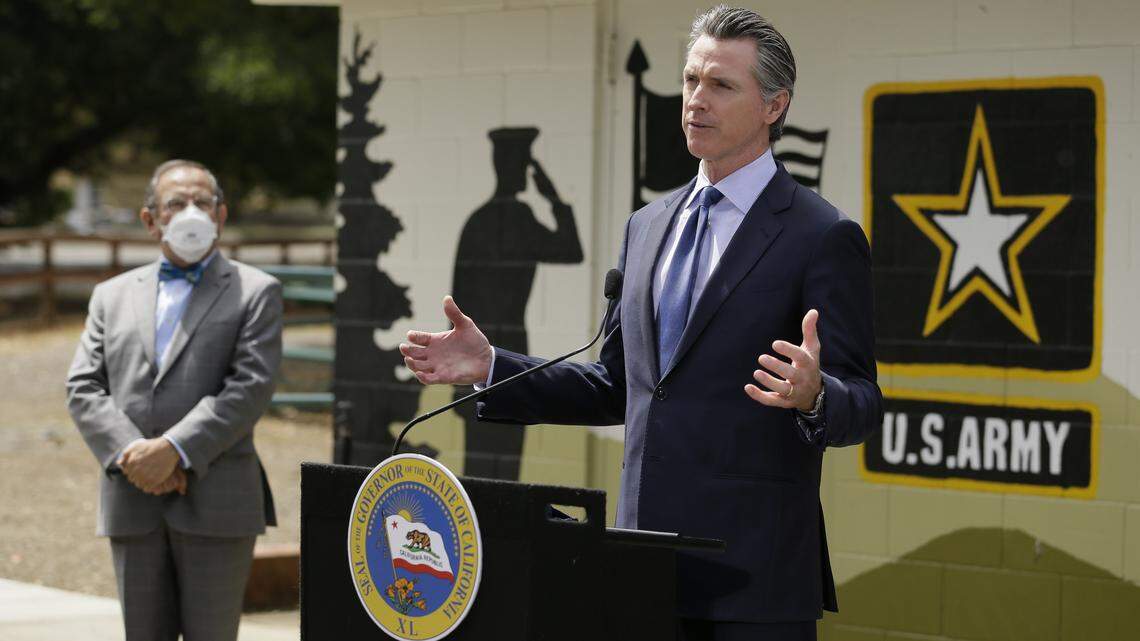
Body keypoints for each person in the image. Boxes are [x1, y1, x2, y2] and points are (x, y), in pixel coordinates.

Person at [400, 6, 881, 640]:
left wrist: (816, 396)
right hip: (640, 563)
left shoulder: (821, 235)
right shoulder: (648, 225)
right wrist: (491, 368)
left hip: (753, 580)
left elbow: (864, 403)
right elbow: (616, 385)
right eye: (690, 81)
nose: (696, 101)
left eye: (720, 86)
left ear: (774, 105)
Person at [66, 160, 282, 641]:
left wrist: (174, 451)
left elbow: (250, 387)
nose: (191, 212)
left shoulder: (256, 292)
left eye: (202, 202)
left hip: (218, 501)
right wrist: (136, 457)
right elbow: (83, 386)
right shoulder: (110, 295)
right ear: (151, 219)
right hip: (132, 495)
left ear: (221, 215)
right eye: (176, 203)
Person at [451, 127, 583, 480]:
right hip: (506, 354)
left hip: (478, 359)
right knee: (503, 471)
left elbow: (457, 304)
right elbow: (570, 248)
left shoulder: (478, 221)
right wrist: (553, 197)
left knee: (478, 472)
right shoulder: (517, 218)